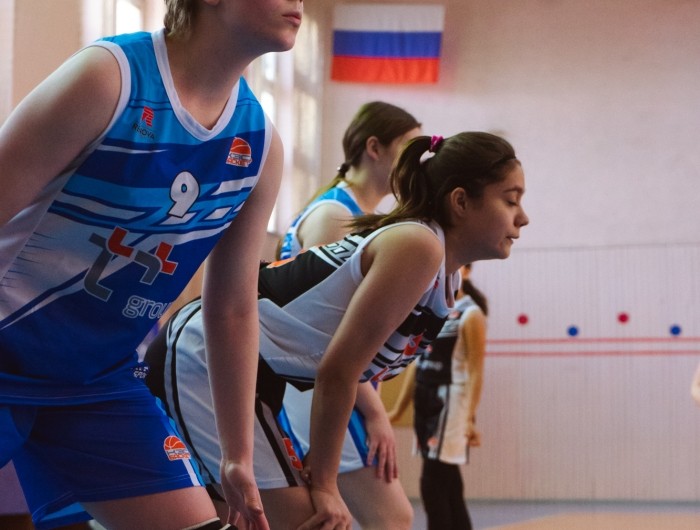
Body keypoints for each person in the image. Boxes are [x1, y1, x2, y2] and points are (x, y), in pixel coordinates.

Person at [0, 1, 303, 529]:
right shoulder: (108, 79)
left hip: (98, 381)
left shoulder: (259, 146)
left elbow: (232, 308)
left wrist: (237, 455)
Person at [145, 131, 529, 529]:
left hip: (262, 375)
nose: (523, 217)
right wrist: (326, 483)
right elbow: (338, 370)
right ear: (461, 201)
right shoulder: (419, 244)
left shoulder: (444, 276)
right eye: (511, 200)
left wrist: (326, 460)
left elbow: (340, 368)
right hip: (211, 352)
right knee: (314, 520)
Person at [276, 101, 421, 530]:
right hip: (317, 389)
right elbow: (326, 332)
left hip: (327, 385)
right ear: (374, 148)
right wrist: (375, 412)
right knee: (392, 519)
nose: (417, 162)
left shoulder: (351, 213)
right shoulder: (335, 216)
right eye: (409, 147)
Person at [388, 263, 488, 530]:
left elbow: (476, 372)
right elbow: (416, 364)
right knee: (448, 480)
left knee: (432, 481)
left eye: (459, 266)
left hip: (450, 400)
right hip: (425, 397)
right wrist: (399, 409)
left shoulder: (470, 314)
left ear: (467, 271)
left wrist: (469, 419)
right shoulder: (432, 310)